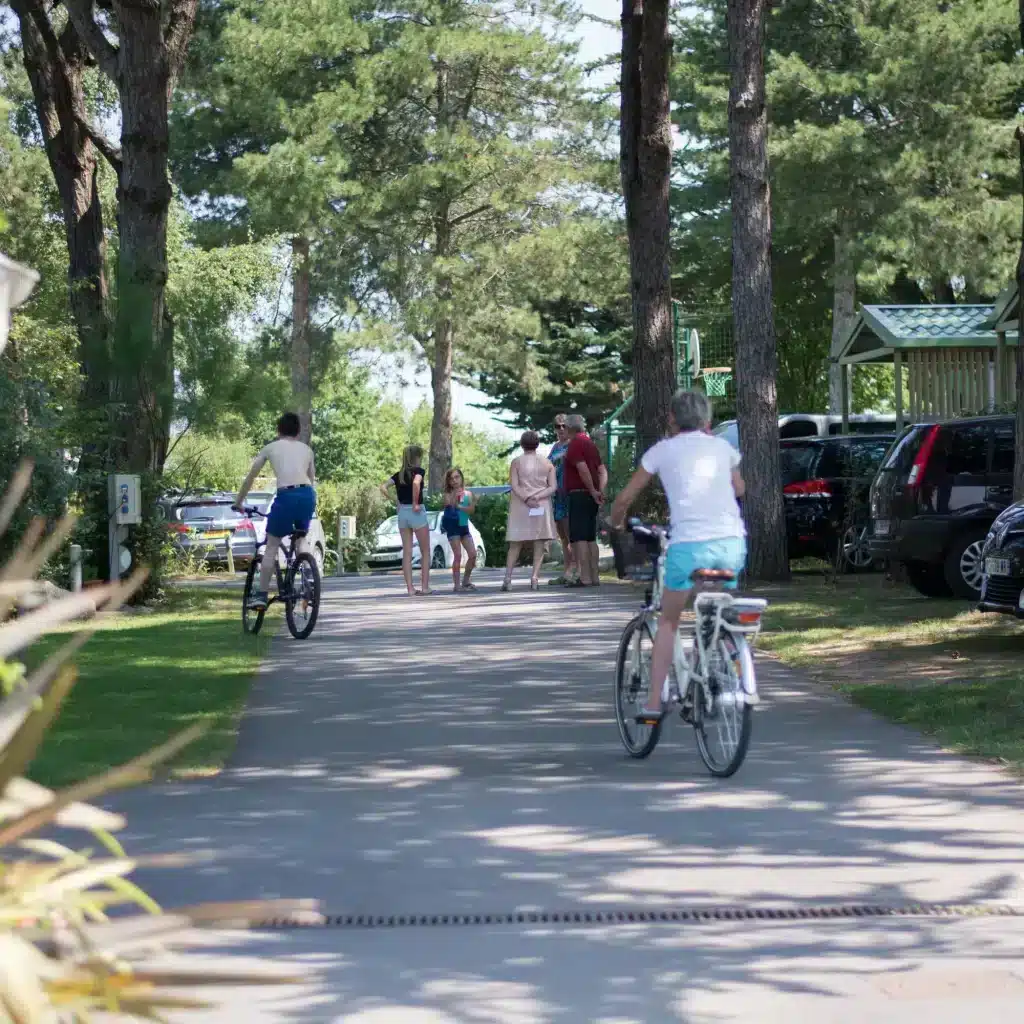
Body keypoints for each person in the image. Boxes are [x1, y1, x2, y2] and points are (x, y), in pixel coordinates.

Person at [610, 389, 746, 722]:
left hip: (688, 547)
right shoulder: (723, 447)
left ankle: (655, 703)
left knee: (668, 620)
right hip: (732, 544)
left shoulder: (661, 451)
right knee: (713, 607)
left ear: (671, 418)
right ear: (707, 419)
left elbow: (625, 498)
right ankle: (725, 655)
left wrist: (616, 523)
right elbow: (740, 489)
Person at [235, 411, 316, 611]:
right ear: (298, 431)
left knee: (272, 545)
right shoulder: (307, 450)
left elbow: (251, 476)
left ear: (278, 430)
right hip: (307, 495)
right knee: (300, 538)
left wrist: (239, 501)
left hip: (286, 497)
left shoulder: (270, 448)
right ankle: (307, 576)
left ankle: (261, 596)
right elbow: (311, 479)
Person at [502, 430, 557, 591]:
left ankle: (508, 578)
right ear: (537, 444)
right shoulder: (547, 463)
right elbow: (553, 486)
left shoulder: (516, 462)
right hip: (541, 504)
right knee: (539, 541)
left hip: (521, 504)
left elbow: (514, 485)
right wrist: (538, 496)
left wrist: (526, 498)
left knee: (516, 542)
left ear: (522, 444)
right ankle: (534, 578)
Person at [379, 445, 431, 596]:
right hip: (416, 512)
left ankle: (410, 589)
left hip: (403, 514)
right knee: (425, 551)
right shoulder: (419, 472)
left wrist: (396, 500)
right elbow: (416, 483)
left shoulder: (398, 475)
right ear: (416, 458)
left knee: (407, 552)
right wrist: (415, 503)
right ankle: (425, 587)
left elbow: (383, 487)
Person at [564, 413, 608, 587]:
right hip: (591, 496)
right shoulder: (590, 444)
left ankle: (585, 577)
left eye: (565, 427)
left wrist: (591, 489)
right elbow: (602, 470)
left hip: (579, 493)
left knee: (579, 537)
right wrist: (599, 491)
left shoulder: (575, 444)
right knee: (590, 537)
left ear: (570, 428)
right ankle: (594, 576)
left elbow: (582, 468)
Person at [547, 413, 578, 586]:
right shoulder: (555, 446)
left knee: (572, 535)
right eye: (557, 426)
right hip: (556, 495)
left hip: (569, 493)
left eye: (563, 426)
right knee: (563, 538)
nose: (560, 429)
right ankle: (566, 571)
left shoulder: (573, 444)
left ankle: (576, 570)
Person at [441, 467, 478, 592]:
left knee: (473, 554)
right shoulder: (447, 494)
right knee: (457, 555)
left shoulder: (468, 494)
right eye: (451, 479)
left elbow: (471, 510)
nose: (455, 480)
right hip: (452, 525)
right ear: (449, 482)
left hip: (463, 525)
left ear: (461, 478)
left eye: (457, 477)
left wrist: (466, 504)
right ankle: (457, 585)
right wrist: (455, 498)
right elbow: (448, 503)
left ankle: (466, 581)